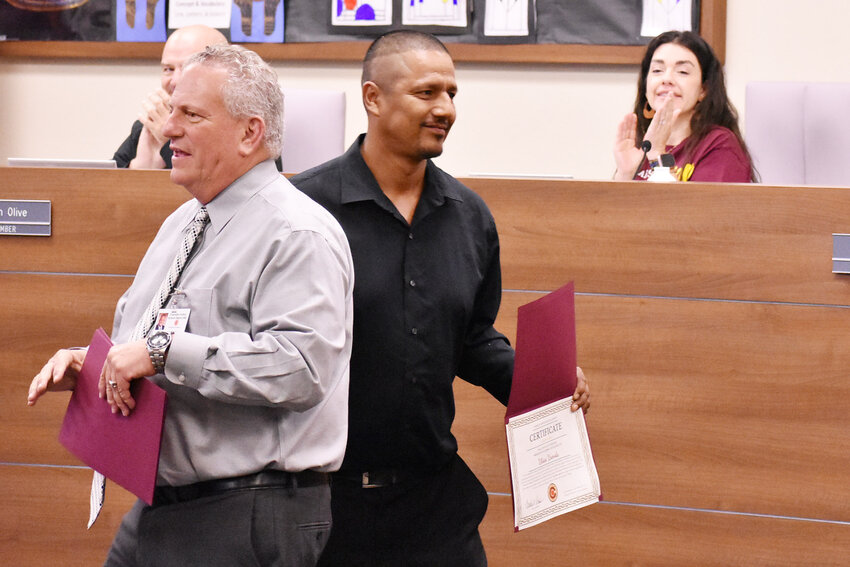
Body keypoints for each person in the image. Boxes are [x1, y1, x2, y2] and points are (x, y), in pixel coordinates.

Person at [29, 44, 354, 567]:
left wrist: (162, 352)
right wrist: (92, 367)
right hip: (163, 505)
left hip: (247, 511)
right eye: (171, 108)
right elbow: (147, 343)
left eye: (191, 115)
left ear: (250, 133)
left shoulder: (297, 232)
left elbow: (301, 367)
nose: (168, 128)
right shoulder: (182, 224)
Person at [291, 30, 590, 566]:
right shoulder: (304, 211)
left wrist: (542, 383)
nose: (446, 108)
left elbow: (472, 338)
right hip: (325, 511)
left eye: (452, 94)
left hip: (435, 507)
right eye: (427, 93)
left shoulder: (469, 216)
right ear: (373, 98)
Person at [613, 30, 756, 183]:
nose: (667, 79)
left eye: (682, 72)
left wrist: (658, 156)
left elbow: (690, 206)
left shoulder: (719, 145)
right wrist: (625, 175)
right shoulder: (640, 146)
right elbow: (612, 207)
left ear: (703, 89)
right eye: (657, 70)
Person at [112, 24, 227, 170]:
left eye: (187, 68)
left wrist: (169, 139)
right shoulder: (149, 126)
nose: (175, 81)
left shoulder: (232, 129)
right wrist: (137, 167)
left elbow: (209, 187)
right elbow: (103, 185)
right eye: (168, 69)